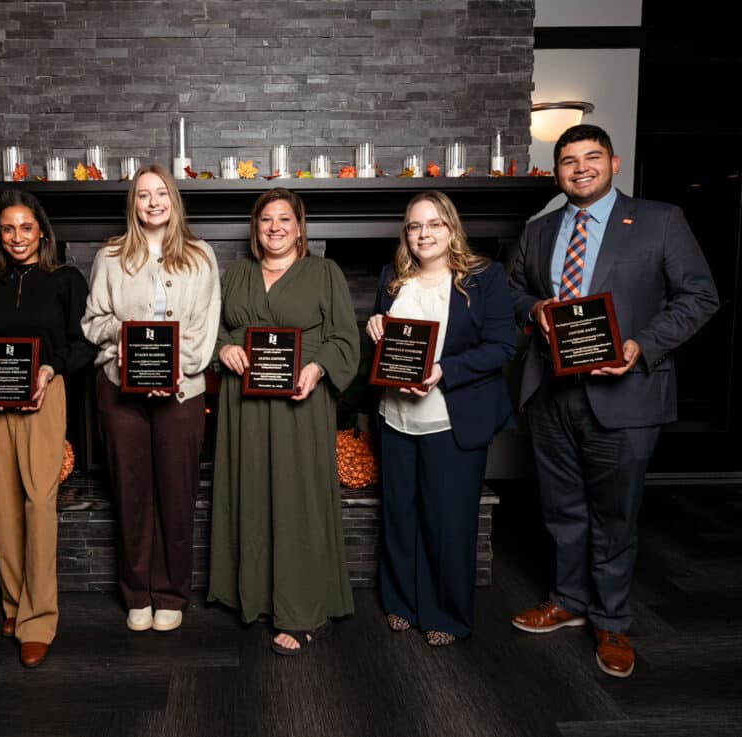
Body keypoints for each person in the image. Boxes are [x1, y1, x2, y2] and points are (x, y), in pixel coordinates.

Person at [508, 124, 719, 677]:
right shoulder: (538, 230)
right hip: (551, 392)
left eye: (592, 157)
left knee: (615, 515)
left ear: (614, 163)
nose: (580, 168)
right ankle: (567, 601)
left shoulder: (659, 220)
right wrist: (534, 309)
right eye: (568, 160)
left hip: (624, 394)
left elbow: (700, 296)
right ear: (556, 172)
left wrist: (641, 345)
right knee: (561, 509)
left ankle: (611, 621)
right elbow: (513, 291)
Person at [208, 187, 360, 655]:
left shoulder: (324, 272)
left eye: (284, 219)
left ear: (299, 228)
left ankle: (303, 611)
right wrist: (223, 349)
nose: (274, 227)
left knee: (298, 501)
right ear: (255, 229)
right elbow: (214, 329)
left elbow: (344, 337)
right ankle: (253, 596)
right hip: (243, 403)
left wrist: (318, 369)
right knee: (250, 492)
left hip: (301, 400)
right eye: (265, 220)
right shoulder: (237, 274)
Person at [366, 191, 516, 646]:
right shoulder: (392, 277)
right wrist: (375, 325)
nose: (424, 234)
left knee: (448, 521)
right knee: (400, 515)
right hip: (395, 418)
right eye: (414, 226)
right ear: (406, 234)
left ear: (451, 228)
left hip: (452, 419)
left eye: (434, 224)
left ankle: (445, 614)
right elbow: (389, 340)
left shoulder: (484, 277)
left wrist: (443, 370)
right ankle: (401, 602)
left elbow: (502, 347)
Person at [0, 190, 95, 668]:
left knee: (38, 501)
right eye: (8, 228)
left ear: (42, 232)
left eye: (26, 227)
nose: (18, 237)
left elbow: (84, 344)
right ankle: (14, 604)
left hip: (43, 394)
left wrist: (50, 368)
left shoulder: (66, 280)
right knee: (1, 503)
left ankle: (38, 619)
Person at [81, 164, 220, 633]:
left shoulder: (201, 256)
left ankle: (171, 593)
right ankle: (137, 592)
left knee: (177, 494)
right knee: (131, 493)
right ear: (134, 204)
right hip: (119, 387)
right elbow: (92, 322)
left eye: (161, 193)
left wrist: (171, 369)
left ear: (174, 201)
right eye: (144, 195)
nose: (153, 202)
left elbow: (205, 328)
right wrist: (126, 340)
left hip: (182, 390)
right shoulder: (110, 256)